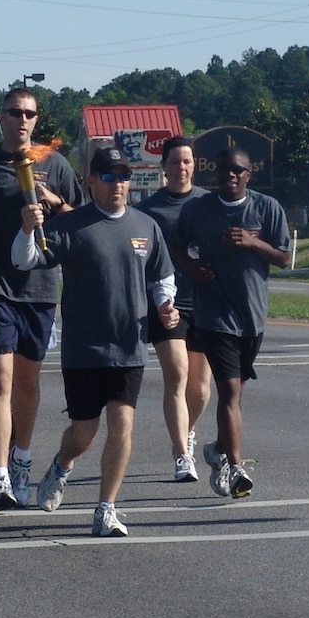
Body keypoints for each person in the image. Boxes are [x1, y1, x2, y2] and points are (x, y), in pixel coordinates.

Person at [11, 147, 177, 537]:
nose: (116, 183)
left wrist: (166, 307)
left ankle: (106, 507)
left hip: (129, 347)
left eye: (122, 176)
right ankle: (61, 465)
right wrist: (25, 228)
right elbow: (25, 260)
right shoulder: (71, 226)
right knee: (83, 434)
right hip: (85, 350)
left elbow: (162, 277)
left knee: (122, 423)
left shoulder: (145, 226)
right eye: (107, 176)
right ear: (91, 181)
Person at [0, 88, 80, 512]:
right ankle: (1, 473)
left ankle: (22, 458)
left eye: (29, 114)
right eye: (14, 113)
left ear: (36, 120)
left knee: (28, 380)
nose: (22, 120)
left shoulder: (55, 164)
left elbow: (77, 219)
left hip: (40, 285)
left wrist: (54, 202)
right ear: (2, 117)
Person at [178, 145, 292, 499]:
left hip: (251, 316)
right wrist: (191, 267)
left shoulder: (267, 208)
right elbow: (175, 245)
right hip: (214, 316)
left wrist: (252, 241)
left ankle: (217, 450)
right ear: (215, 174)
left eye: (237, 171)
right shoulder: (199, 210)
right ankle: (236, 467)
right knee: (228, 391)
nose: (230, 175)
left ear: (248, 175)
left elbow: (285, 258)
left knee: (236, 395)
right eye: (224, 170)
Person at [137, 136, 211, 482]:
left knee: (200, 389)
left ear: (195, 165)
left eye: (186, 162)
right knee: (178, 375)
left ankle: (188, 431)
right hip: (166, 303)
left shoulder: (210, 204)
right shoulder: (149, 211)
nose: (180, 168)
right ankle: (183, 454)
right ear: (162, 167)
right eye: (173, 162)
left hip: (207, 304)